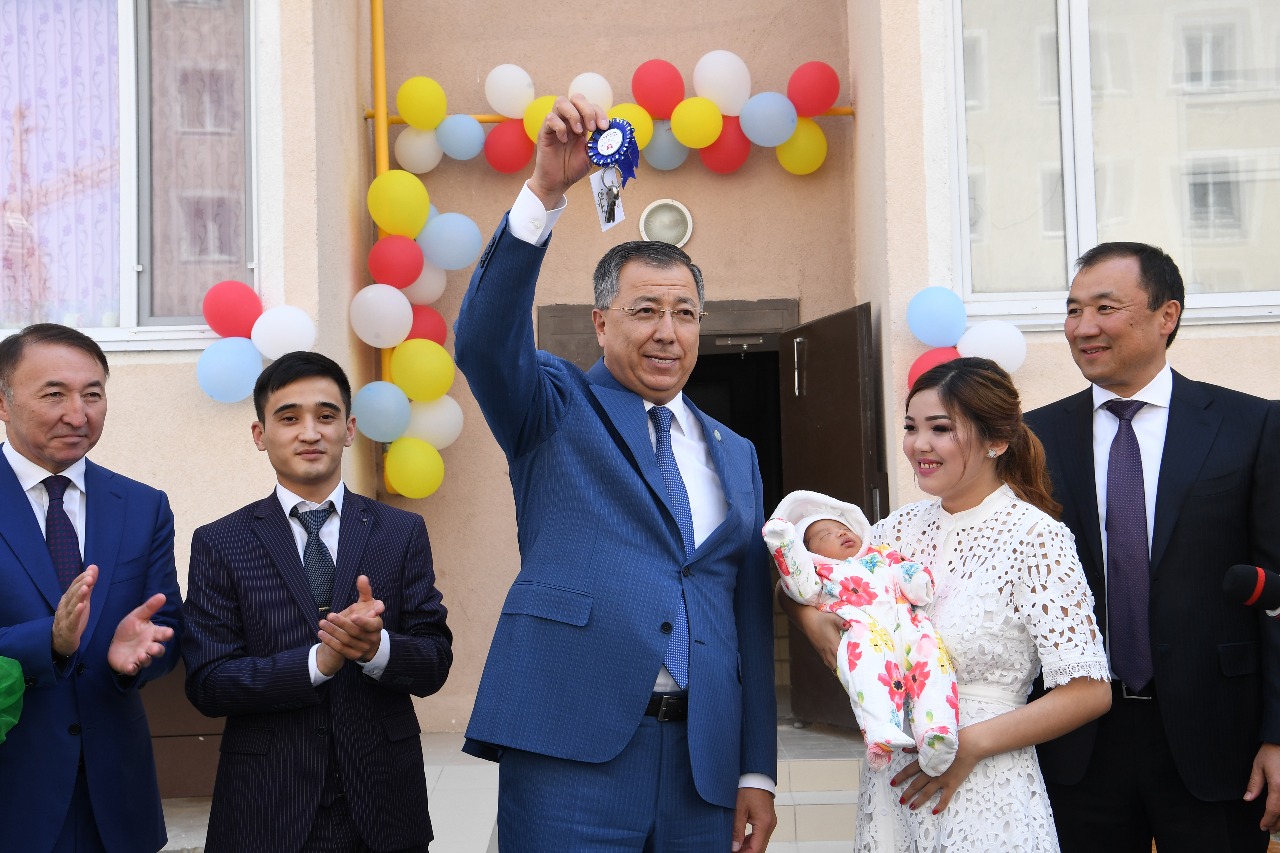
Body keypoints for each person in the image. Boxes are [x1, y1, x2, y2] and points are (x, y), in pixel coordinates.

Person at [454, 95, 777, 852]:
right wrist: (545, 191)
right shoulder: (554, 407)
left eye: (685, 313)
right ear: (601, 322)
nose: (668, 332)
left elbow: (747, 617)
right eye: (645, 311)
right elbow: (483, 340)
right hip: (571, 750)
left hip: (703, 765)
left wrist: (756, 768)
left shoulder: (735, 452)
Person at [785, 356, 1112, 851]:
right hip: (895, 783)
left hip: (986, 783)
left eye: (940, 428)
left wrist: (969, 746)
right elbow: (809, 579)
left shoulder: (1036, 538)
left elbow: (1089, 692)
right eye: (911, 427)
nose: (920, 444)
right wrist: (807, 619)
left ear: (996, 440)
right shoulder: (896, 529)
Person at [1024, 242, 1280, 852]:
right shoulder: (1032, 437)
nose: (1083, 327)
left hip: (1219, 736)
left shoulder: (1251, 425)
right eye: (1073, 310)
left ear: (1167, 315)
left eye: (1105, 307)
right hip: (1075, 740)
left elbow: (1277, 593)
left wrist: (1278, 732)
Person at [182, 351, 453, 853]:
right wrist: (317, 663)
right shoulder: (220, 542)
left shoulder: (400, 532)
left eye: (326, 416)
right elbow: (208, 683)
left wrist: (377, 650)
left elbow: (435, 661)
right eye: (289, 418)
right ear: (260, 434)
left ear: (349, 430)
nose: (310, 432)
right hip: (266, 808)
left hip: (384, 806)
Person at [0, 322, 183, 853]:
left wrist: (135, 659)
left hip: (117, 802)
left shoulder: (143, 505)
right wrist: (50, 642)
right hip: (13, 792)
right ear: (4, 402)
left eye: (93, 394)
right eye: (54, 394)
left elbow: (165, 624)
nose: (78, 415)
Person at [763, 489, 958, 776]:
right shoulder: (822, 574)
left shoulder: (880, 554)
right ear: (810, 553)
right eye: (826, 534)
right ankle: (880, 730)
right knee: (868, 671)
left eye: (843, 527)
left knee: (934, 664)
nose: (841, 533)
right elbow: (796, 585)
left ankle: (937, 731)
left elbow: (903, 570)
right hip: (866, 634)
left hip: (909, 628)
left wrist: (916, 581)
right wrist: (785, 544)